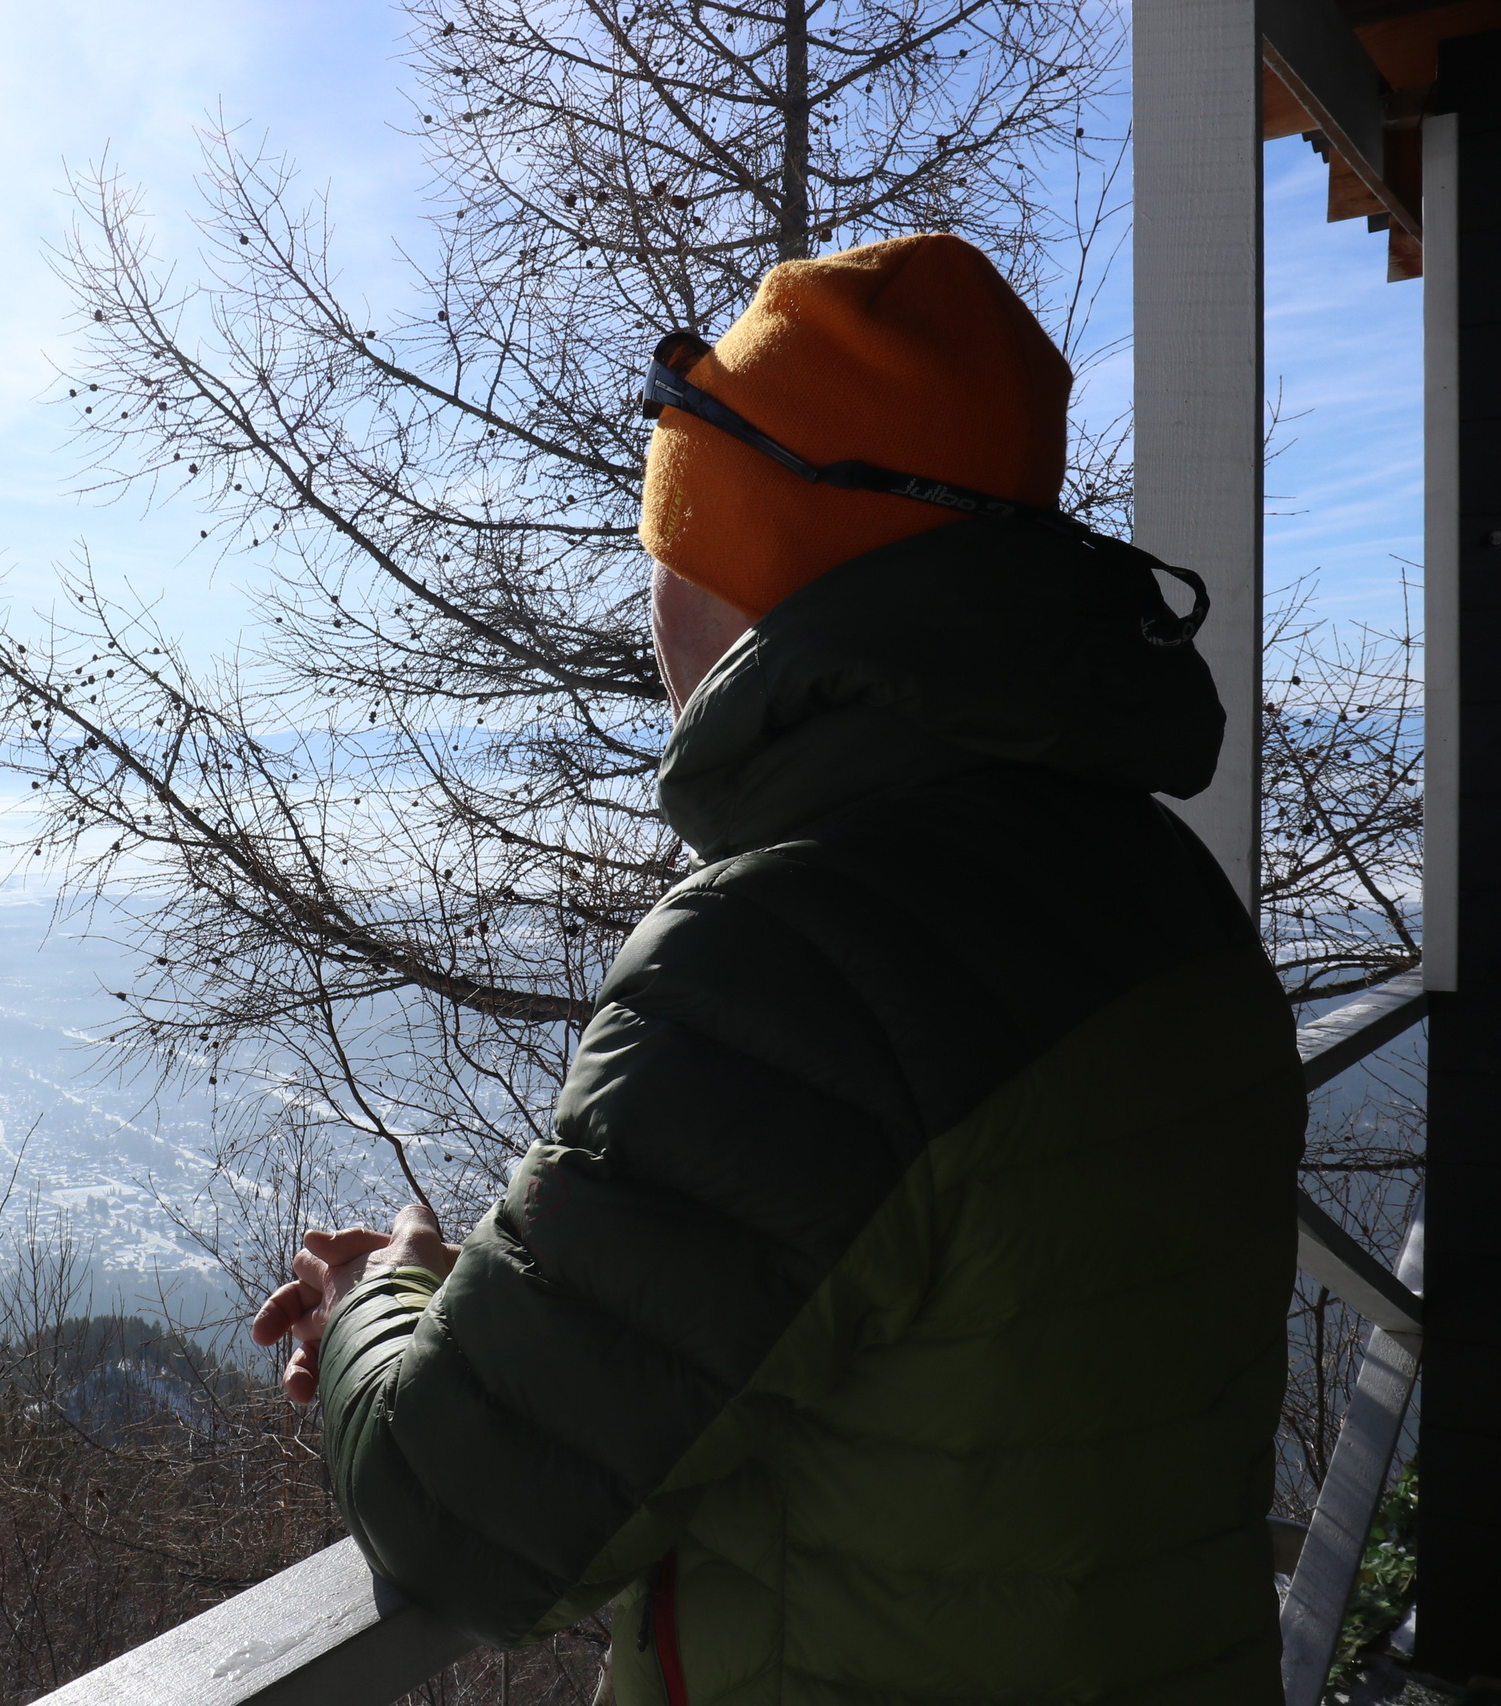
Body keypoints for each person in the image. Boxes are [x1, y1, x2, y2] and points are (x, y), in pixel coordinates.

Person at [253, 233, 1306, 1704]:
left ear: (752, 582)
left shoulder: (798, 955)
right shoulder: (1159, 889)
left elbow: (461, 1514)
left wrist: (389, 1290)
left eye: (671, 551)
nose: (652, 611)